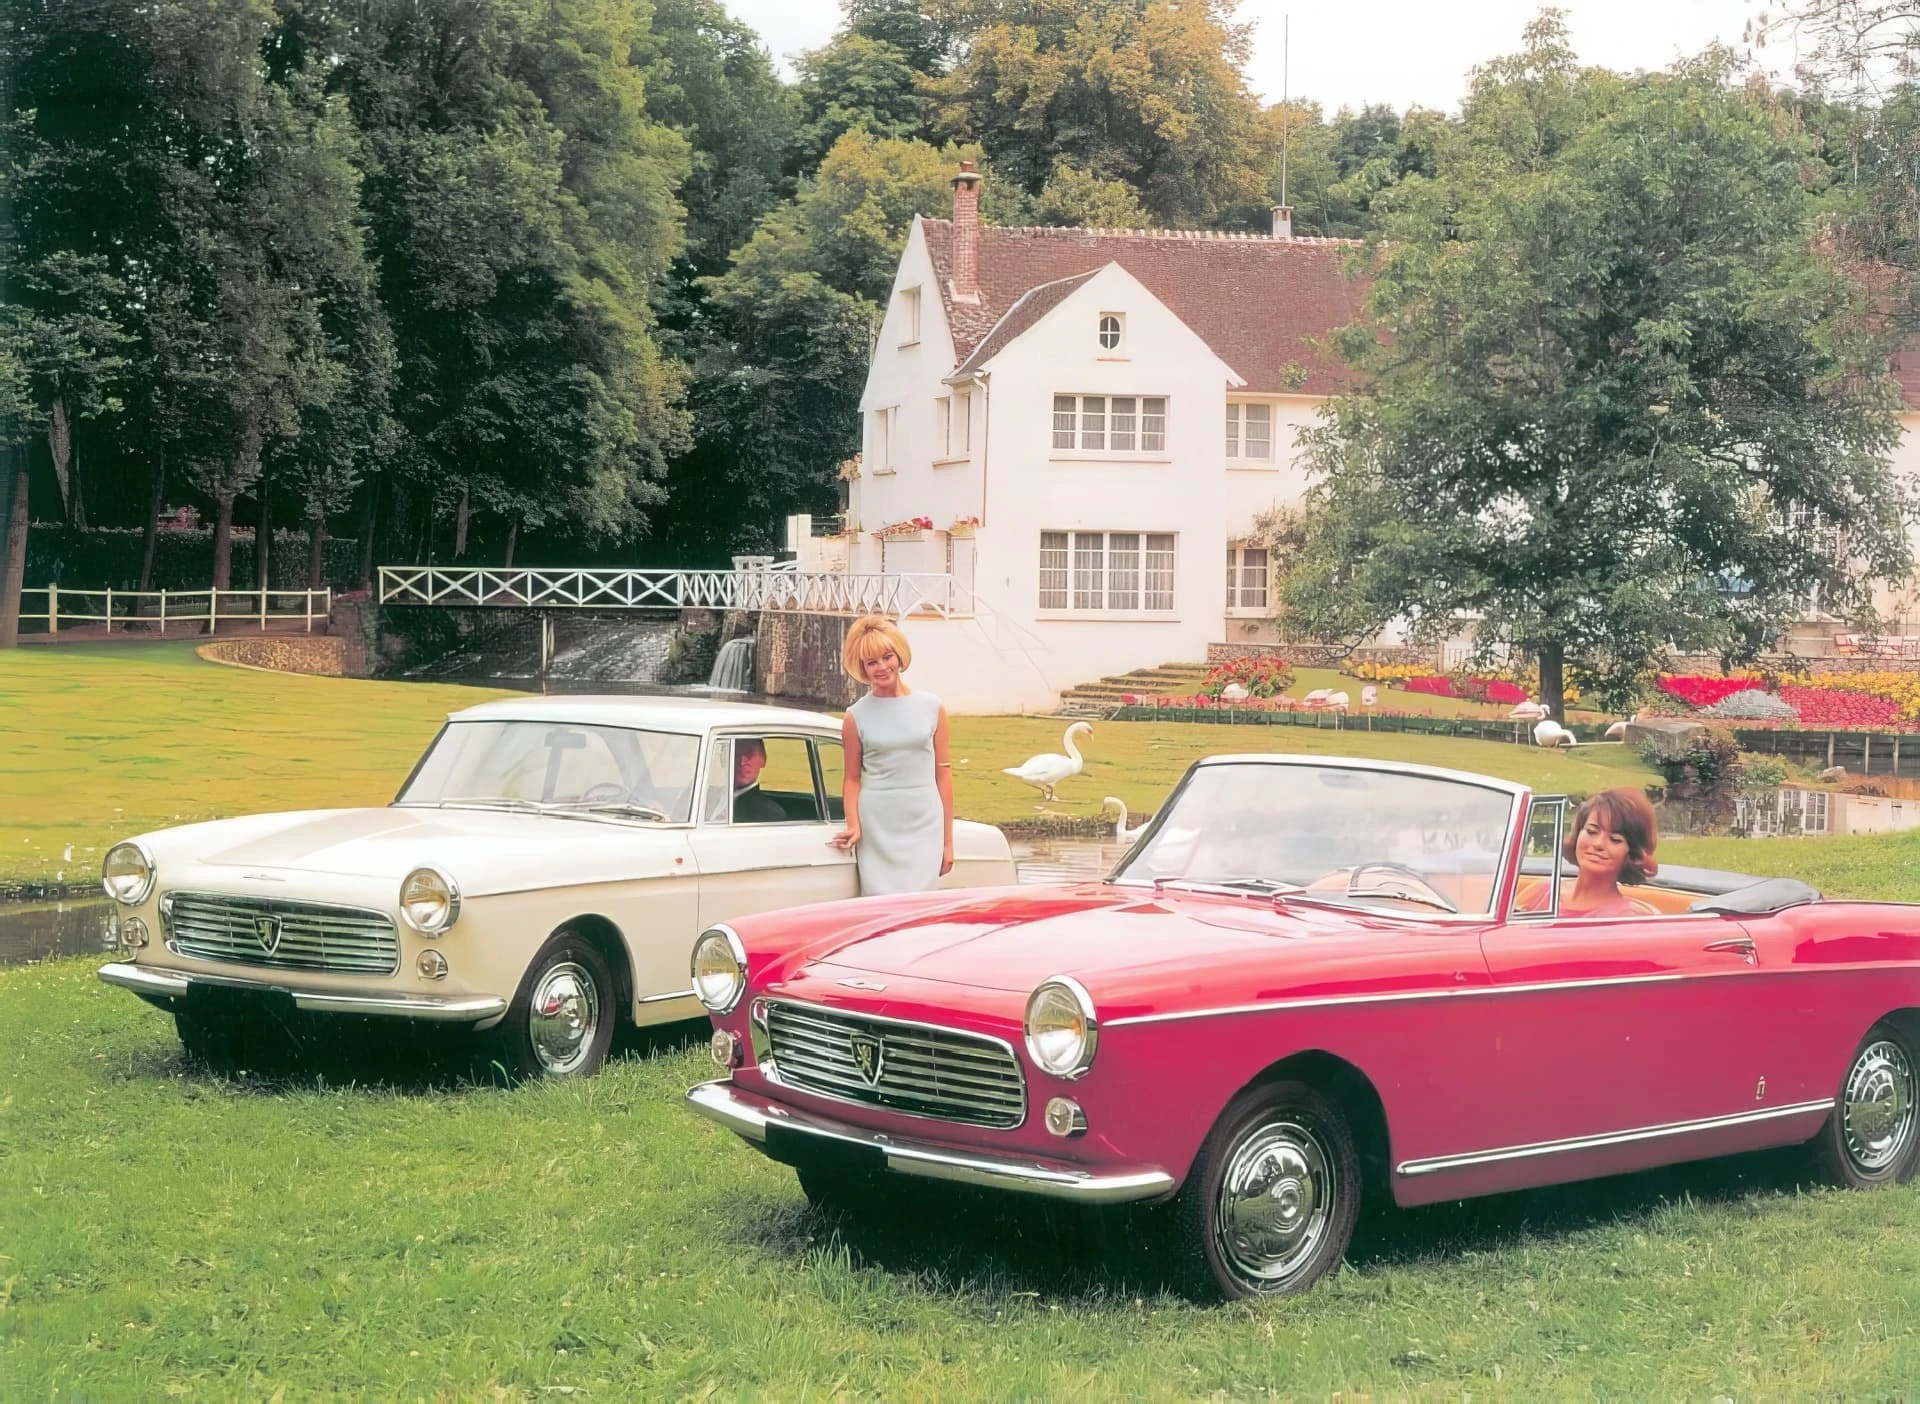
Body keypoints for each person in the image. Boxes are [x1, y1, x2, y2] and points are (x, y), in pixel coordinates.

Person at [829, 615, 954, 894]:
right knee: (880, 912)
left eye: (887, 657)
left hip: (924, 822)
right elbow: (852, 779)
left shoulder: (932, 707)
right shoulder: (855, 716)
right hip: (878, 828)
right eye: (872, 662)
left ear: (899, 656)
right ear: (862, 668)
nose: (882, 667)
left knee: (919, 914)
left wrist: (947, 842)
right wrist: (854, 825)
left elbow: (943, 775)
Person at [1527, 787, 1660, 916]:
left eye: (1615, 839)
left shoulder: (1627, 918)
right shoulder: (1544, 890)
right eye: (1591, 831)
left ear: (1633, 853)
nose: (1598, 844)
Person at [731, 738, 788, 824]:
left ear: (763, 759)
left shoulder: (769, 813)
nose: (742, 761)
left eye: (749, 752)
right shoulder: (706, 794)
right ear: (723, 758)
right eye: (736, 753)